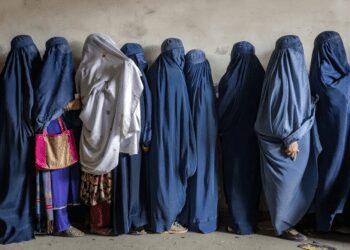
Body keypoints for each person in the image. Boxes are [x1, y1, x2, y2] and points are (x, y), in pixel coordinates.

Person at [255, 35, 322, 241]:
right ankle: (283, 226)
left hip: (295, 138)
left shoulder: (291, 70)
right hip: (286, 142)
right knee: (283, 187)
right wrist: (290, 138)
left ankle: (291, 220)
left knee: (293, 186)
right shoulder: (280, 75)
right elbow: (275, 114)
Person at [76, 33, 143, 235]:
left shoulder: (83, 69)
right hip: (108, 132)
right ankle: (99, 224)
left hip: (91, 132)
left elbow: (81, 96)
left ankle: (95, 221)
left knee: (92, 180)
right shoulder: (120, 68)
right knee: (103, 183)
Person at [34, 37, 84, 237]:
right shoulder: (46, 76)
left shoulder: (63, 72)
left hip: (63, 129)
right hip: (51, 130)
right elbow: (44, 101)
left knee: (64, 180)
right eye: (60, 53)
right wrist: (64, 107)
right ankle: (59, 224)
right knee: (55, 182)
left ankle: (61, 221)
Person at [146, 38, 197, 233]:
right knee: (171, 178)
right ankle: (168, 220)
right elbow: (183, 112)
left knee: (158, 176)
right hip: (173, 138)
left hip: (155, 139)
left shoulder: (153, 70)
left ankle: (158, 218)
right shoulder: (176, 74)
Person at [217, 41, 264, 235]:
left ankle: (238, 223)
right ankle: (252, 220)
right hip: (256, 139)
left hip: (233, 139)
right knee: (253, 180)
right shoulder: (262, 77)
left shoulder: (228, 79)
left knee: (235, 180)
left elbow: (221, 110)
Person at [0, 35, 41, 244]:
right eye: (30, 52)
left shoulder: (8, 74)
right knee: (17, 180)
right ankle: (14, 220)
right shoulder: (17, 76)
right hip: (19, 137)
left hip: (11, 136)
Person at [309, 31, 350, 232]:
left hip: (324, 142)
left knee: (326, 176)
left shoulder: (316, 78)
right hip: (342, 140)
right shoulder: (346, 79)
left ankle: (323, 221)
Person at [110, 43, 152, 235]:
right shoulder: (140, 76)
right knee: (135, 181)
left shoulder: (115, 74)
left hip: (117, 139)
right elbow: (147, 110)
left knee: (123, 180)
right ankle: (135, 220)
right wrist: (146, 138)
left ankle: (123, 220)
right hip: (135, 139)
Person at [179, 49, 218, 233]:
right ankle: (204, 218)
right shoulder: (208, 90)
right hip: (207, 141)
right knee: (205, 175)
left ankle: (185, 216)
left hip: (188, 142)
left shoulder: (182, 87)